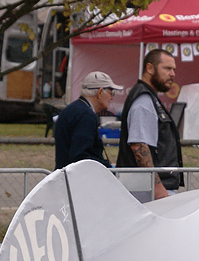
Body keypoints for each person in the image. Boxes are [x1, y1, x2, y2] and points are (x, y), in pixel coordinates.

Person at [116, 49, 184, 199]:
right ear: (150, 68)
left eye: (174, 69)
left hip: (149, 189)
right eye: (167, 68)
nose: (172, 74)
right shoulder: (144, 100)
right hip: (148, 192)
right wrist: (158, 187)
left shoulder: (148, 98)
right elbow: (139, 145)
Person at [54, 71, 122, 169]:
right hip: (76, 179)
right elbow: (81, 156)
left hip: (64, 176)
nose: (112, 97)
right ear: (100, 92)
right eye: (112, 92)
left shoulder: (71, 110)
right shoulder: (86, 115)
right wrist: (107, 167)